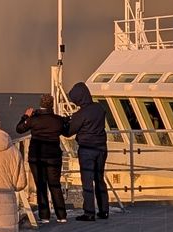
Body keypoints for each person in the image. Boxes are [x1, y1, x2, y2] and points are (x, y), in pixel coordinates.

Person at [16, 94, 71, 223]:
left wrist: (25, 116)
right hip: (53, 157)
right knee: (55, 185)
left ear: (40, 104)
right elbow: (67, 132)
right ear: (51, 105)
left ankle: (44, 216)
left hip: (37, 157)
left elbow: (19, 129)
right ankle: (61, 215)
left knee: (41, 186)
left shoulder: (34, 119)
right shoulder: (58, 120)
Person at [66, 81, 110, 220]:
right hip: (102, 148)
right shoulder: (99, 107)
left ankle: (89, 213)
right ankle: (104, 210)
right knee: (99, 179)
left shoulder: (81, 114)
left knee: (87, 182)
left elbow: (69, 132)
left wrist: (64, 124)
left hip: (87, 150)